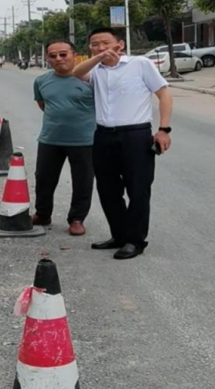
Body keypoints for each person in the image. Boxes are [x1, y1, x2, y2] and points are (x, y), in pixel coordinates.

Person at [73, 27, 173, 260]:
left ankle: (135, 241)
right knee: (108, 190)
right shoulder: (94, 69)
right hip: (104, 135)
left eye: (105, 43)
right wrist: (99, 57)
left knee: (138, 189)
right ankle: (118, 235)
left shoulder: (140, 64)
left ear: (120, 44)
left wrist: (163, 129)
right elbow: (76, 72)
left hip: (135, 135)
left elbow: (164, 95)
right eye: (94, 44)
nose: (99, 47)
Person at [32, 40, 96, 237]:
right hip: (50, 139)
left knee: (82, 181)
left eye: (63, 54)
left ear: (74, 55)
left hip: (85, 140)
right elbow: (43, 105)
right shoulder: (41, 81)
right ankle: (42, 214)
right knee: (44, 179)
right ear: (47, 59)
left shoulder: (90, 80)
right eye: (53, 56)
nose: (58, 59)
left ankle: (77, 219)